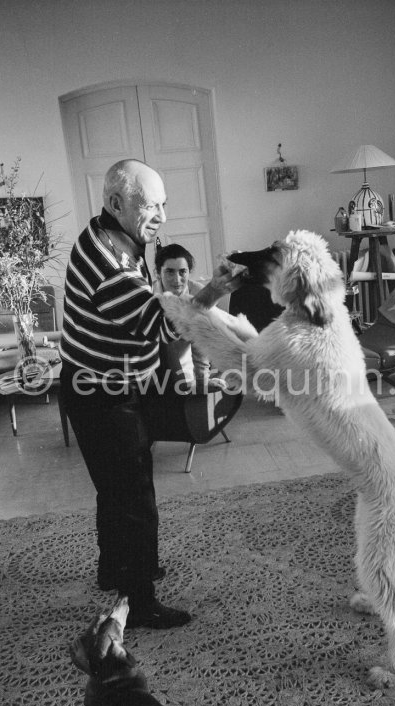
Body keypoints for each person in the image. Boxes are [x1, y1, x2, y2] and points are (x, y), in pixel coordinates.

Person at [59, 159, 239, 629]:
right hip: (101, 394)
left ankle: (114, 569)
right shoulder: (107, 262)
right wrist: (214, 289)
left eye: (163, 203)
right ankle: (139, 601)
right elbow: (162, 325)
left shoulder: (117, 232)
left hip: (110, 384)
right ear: (116, 203)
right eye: (150, 205)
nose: (161, 214)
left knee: (114, 489)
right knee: (135, 494)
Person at [155, 242, 226, 392]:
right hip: (158, 362)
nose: (177, 279)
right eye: (169, 272)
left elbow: (202, 341)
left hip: (199, 358)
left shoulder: (199, 293)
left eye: (182, 272)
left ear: (189, 272)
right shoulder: (147, 294)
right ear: (157, 272)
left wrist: (203, 381)